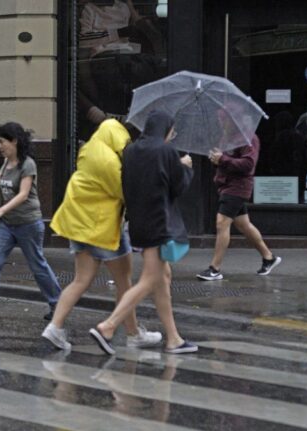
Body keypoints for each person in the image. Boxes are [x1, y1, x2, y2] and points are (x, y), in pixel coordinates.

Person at [41, 119, 162, 351]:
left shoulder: (90, 150)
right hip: (101, 226)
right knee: (124, 283)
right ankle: (132, 333)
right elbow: (127, 192)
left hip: (79, 224)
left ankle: (54, 327)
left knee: (81, 280)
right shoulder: (110, 162)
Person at [89, 111, 197, 355]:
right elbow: (178, 186)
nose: (172, 135)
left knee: (163, 279)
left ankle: (173, 338)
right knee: (150, 279)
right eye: (172, 131)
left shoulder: (132, 150)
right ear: (166, 129)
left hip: (138, 222)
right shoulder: (166, 151)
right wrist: (185, 167)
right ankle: (108, 326)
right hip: (160, 223)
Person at [0, 122, 61, 321]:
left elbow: (23, 195)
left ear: (14, 141)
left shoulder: (28, 164)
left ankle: (58, 304)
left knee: (37, 266)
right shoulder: (6, 163)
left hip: (28, 224)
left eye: (2, 142)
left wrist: (0, 211)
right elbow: (6, 186)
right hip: (7, 224)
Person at [197, 107, 281, 281]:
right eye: (220, 119)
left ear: (233, 120)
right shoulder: (226, 138)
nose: (221, 123)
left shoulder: (249, 138)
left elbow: (248, 165)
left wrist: (223, 159)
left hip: (238, 187)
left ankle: (215, 268)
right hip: (226, 185)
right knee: (244, 224)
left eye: (224, 119)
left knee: (221, 223)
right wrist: (216, 160)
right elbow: (225, 162)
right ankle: (269, 257)